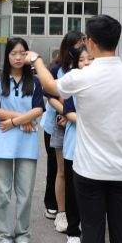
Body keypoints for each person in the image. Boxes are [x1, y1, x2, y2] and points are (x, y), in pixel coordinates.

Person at [27, 15, 122, 243]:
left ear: (91, 42)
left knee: (92, 230)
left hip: (88, 170)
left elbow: (49, 85)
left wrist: (36, 59)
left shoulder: (81, 76)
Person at [0, 37, 45, 243]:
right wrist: (23, 119)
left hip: (27, 143)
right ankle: (3, 234)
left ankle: (22, 234)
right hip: (3, 142)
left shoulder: (35, 82)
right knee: (2, 193)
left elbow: (38, 110)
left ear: (28, 55)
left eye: (22, 53)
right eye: (13, 53)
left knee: (25, 193)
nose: (18, 57)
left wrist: (13, 122)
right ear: (7, 56)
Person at [39, 30, 84, 226]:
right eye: (77, 44)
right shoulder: (57, 67)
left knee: (74, 169)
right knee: (56, 167)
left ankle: (72, 209)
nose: (80, 47)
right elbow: (50, 97)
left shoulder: (85, 68)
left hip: (75, 124)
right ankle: (54, 205)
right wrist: (67, 112)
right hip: (55, 124)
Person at [62, 46, 94, 243]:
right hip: (74, 146)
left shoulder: (102, 83)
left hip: (95, 148)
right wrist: (89, 121)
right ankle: (73, 230)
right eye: (82, 60)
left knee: (93, 190)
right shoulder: (72, 83)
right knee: (72, 191)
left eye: (90, 59)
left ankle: (91, 228)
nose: (86, 63)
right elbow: (68, 111)